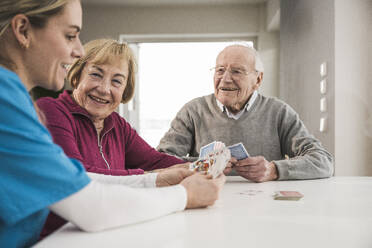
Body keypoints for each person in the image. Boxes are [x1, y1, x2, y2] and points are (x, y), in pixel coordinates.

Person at [0, 1, 225, 247]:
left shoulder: (15, 95)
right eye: (70, 35)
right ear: (22, 30)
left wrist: (167, 177)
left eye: (117, 81)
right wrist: (185, 195)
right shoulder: (9, 97)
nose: (78, 50)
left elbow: (80, 179)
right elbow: (90, 204)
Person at [36, 38, 194, 237]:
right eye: (95, 75)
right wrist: (154, 178)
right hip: (60, 237)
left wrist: (204, 167)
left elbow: (155, 160)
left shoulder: (117, 124)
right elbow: (79, 175)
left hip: (107, 229)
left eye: (117, 81)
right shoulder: (51, 110)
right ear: (77, 76)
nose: (104, 88)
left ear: (125, 90)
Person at [157, 44, 334, 183]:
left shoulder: (279, 112)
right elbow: (158, 162)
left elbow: (323, 161)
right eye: (220, 70)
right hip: (207, 202)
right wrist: (202, 165)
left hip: (265, 207)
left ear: (258, 79)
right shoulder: (193, 111)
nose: (225, 78)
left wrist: (274, 170)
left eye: (236, 71)